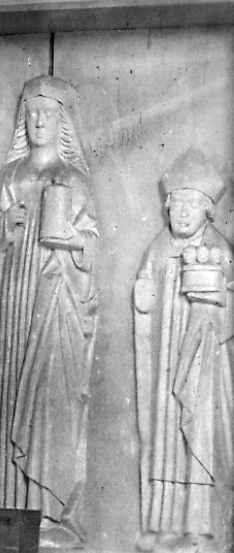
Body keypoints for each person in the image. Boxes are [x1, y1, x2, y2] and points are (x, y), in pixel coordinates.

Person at [0, 75, 98, 546]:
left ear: (62, 122)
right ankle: (16, 511)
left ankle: (52, 516)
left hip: (57, 303)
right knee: (16, 397)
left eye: (47, 113)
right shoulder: (11, 177)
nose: (38, 121)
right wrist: (5, 226)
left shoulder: (74, 179)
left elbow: (92, 245)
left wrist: (72, 240)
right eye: (31, 113)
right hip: (15, 304)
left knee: (51, 403)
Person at [134, 148, 234, 553]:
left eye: (193, 204)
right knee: (167, 437)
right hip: (166, 361)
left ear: (208, 210)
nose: (184, 212)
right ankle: (165, 525)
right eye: (177, 203)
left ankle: (201, 527)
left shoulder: (220, 249)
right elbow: (145, 296)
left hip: (204, 364)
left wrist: (217, 298)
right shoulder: (158, 247)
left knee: (200, 436)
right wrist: (143, 296)